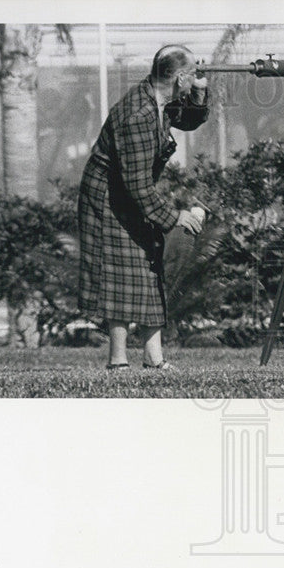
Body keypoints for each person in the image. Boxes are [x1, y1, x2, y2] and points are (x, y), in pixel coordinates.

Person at [78, 44, 209, 370]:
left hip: (128, 191)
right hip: (107, 200)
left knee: (149, 263)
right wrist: (175, 216)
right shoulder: (138, 115)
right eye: (192, 76)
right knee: (119, 275)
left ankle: (153, 358)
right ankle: (118, 361)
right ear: (179, 78)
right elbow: (135, 184)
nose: (193, 80)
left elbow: (190, 121)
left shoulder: (162, 100)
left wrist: (201, 90)